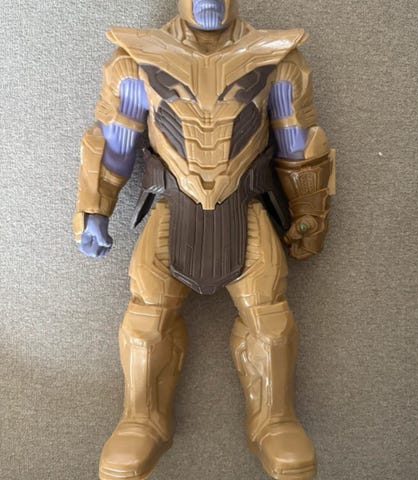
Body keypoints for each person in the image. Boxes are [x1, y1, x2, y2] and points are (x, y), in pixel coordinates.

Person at [73, 1, 335, 479]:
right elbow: (113, 143)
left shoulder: (276, 58)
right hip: (173, 206)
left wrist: (309, 215)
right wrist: (94, 210)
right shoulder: (137, 59)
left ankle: (275, 420)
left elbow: (298, 143)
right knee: (147, 314)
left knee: (269, 316)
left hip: (245, 205)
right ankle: (141, 418)